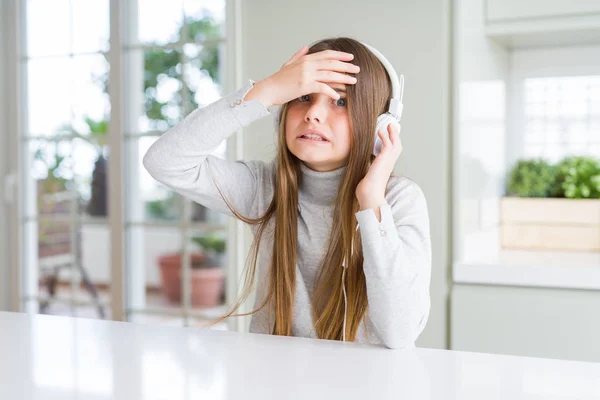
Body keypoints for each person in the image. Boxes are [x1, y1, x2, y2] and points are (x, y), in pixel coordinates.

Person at [143, 37, 432, 349]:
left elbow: (400, 332)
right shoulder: (263, 188)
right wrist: (265, 91)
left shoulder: (399, 200)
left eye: (340, 102)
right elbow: (164, 162)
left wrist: (372, 201)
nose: (313, 114)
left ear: (380, 126)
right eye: (304, 97)